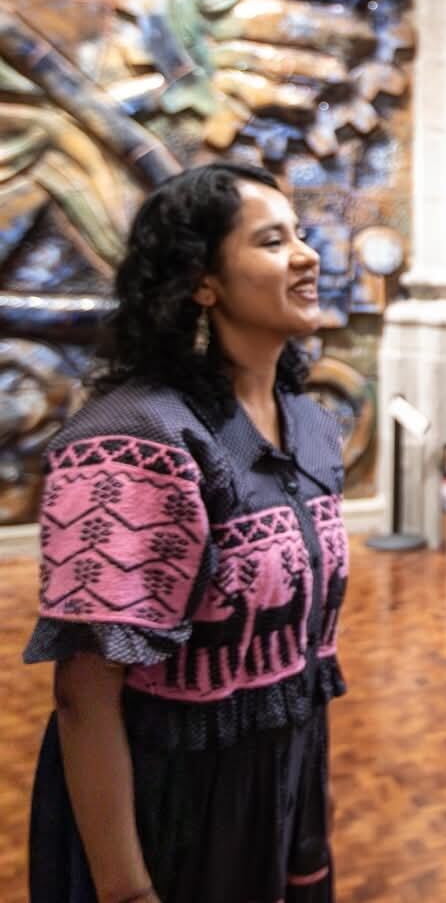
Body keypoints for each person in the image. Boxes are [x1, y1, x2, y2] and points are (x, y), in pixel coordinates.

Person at [25, 163, 349, 903]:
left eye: (301, 234)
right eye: (273, 241)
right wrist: (127, 889)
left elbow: (307, 655)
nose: (307, 254)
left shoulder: (310, 424)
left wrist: (309, 802)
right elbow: (86, 694)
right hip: (170, 805)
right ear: (202, 282)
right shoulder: (137, 438)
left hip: (283, 791)